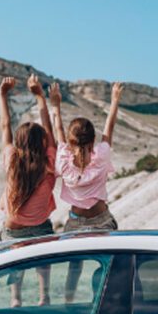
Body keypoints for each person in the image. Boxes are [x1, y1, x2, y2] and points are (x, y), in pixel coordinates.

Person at [49, 81, 124, 301]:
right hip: (102, 219)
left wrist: (56, 105)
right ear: (93, 140)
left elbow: (59, 130)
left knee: (74, 268)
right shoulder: (101, 156)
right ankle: (106, 300)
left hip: (75, 222)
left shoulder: (63, 160)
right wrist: (114, 101)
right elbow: (109, 131)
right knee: (112, 266)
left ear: (70, 143)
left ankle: (68, 302)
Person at [0, 74, 56, 306]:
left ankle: (16, 298)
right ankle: (44, 296)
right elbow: (49, 129)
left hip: (15, 227)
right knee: (43, 261)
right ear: (42, 143)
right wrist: (40, 96)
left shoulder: (12, 158)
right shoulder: (48, 162)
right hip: (40, 225)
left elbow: (5, 125)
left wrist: (3, 95)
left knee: (15, 261)